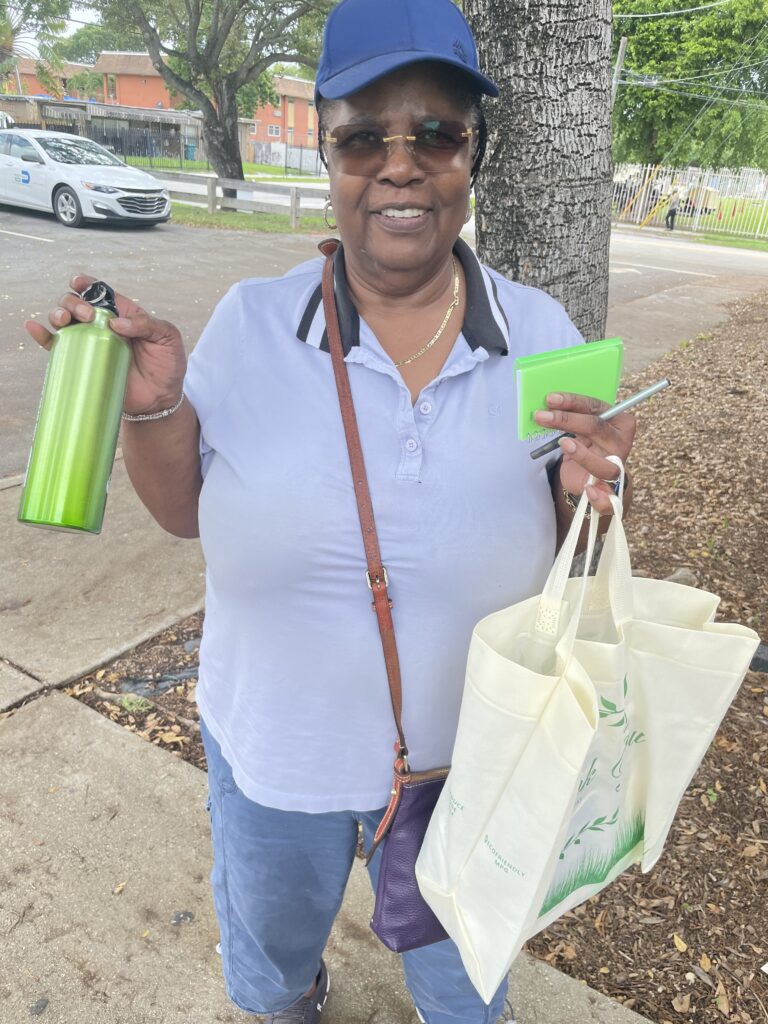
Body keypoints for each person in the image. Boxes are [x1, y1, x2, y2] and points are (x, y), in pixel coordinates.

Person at [26, 0, 637, 1020]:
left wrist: (600, 500)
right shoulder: (251, 323)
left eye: (437, 133)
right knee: (273, 971)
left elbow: (582, 555)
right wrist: (158, 404)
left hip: (470, 768)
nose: (402, 165)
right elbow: (183, 514)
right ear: (324, 148)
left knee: (465, 988)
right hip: (274, 755)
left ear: (470, 153)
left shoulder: (543, 332)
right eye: (365, 137)